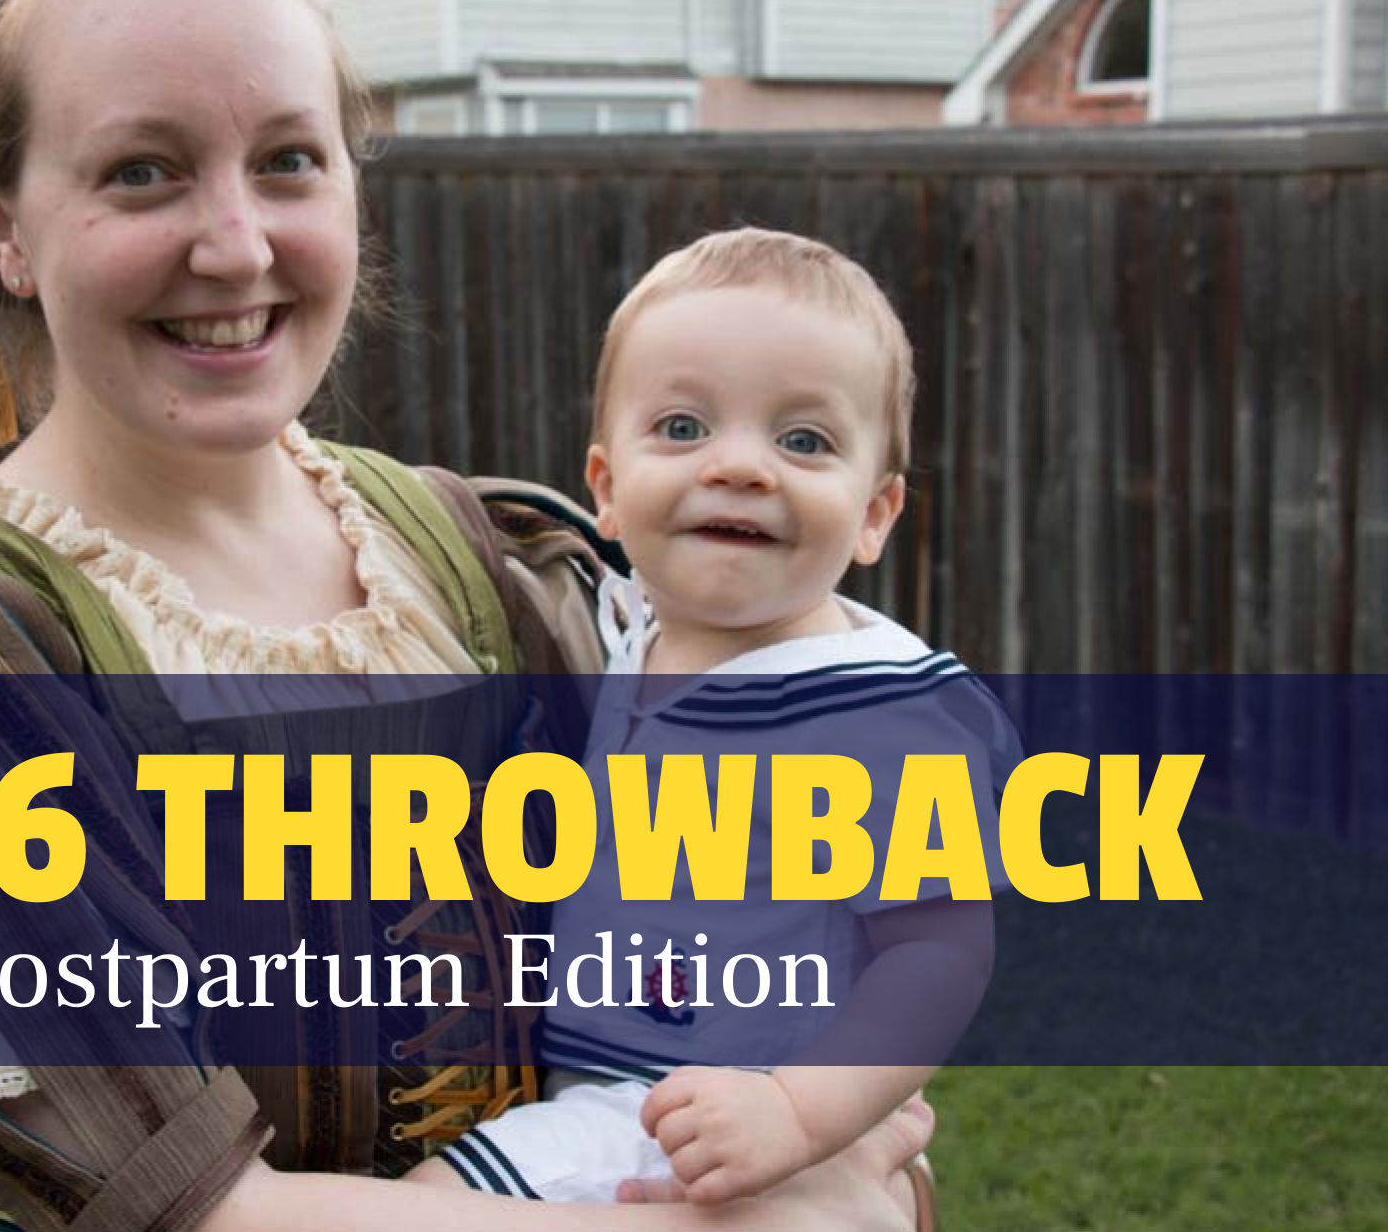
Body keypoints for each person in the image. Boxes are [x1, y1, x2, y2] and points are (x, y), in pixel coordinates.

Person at [0, 0, 938, 1231]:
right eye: (143, 169)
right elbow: (205, 1213)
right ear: (0, 223)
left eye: (290, 159)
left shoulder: (511, 568)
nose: (236, 244)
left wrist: (829, 1128)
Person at [413, 230, 1010, 1219]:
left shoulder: (875, 706)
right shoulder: (624, 634)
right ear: (603, 487)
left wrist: (797, 1110)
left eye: (803, 440)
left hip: (708, 1099)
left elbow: (940, 950)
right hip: (612, 1076)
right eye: (683, 426)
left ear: (875, 511)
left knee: (436, 1203)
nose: (738, 466)